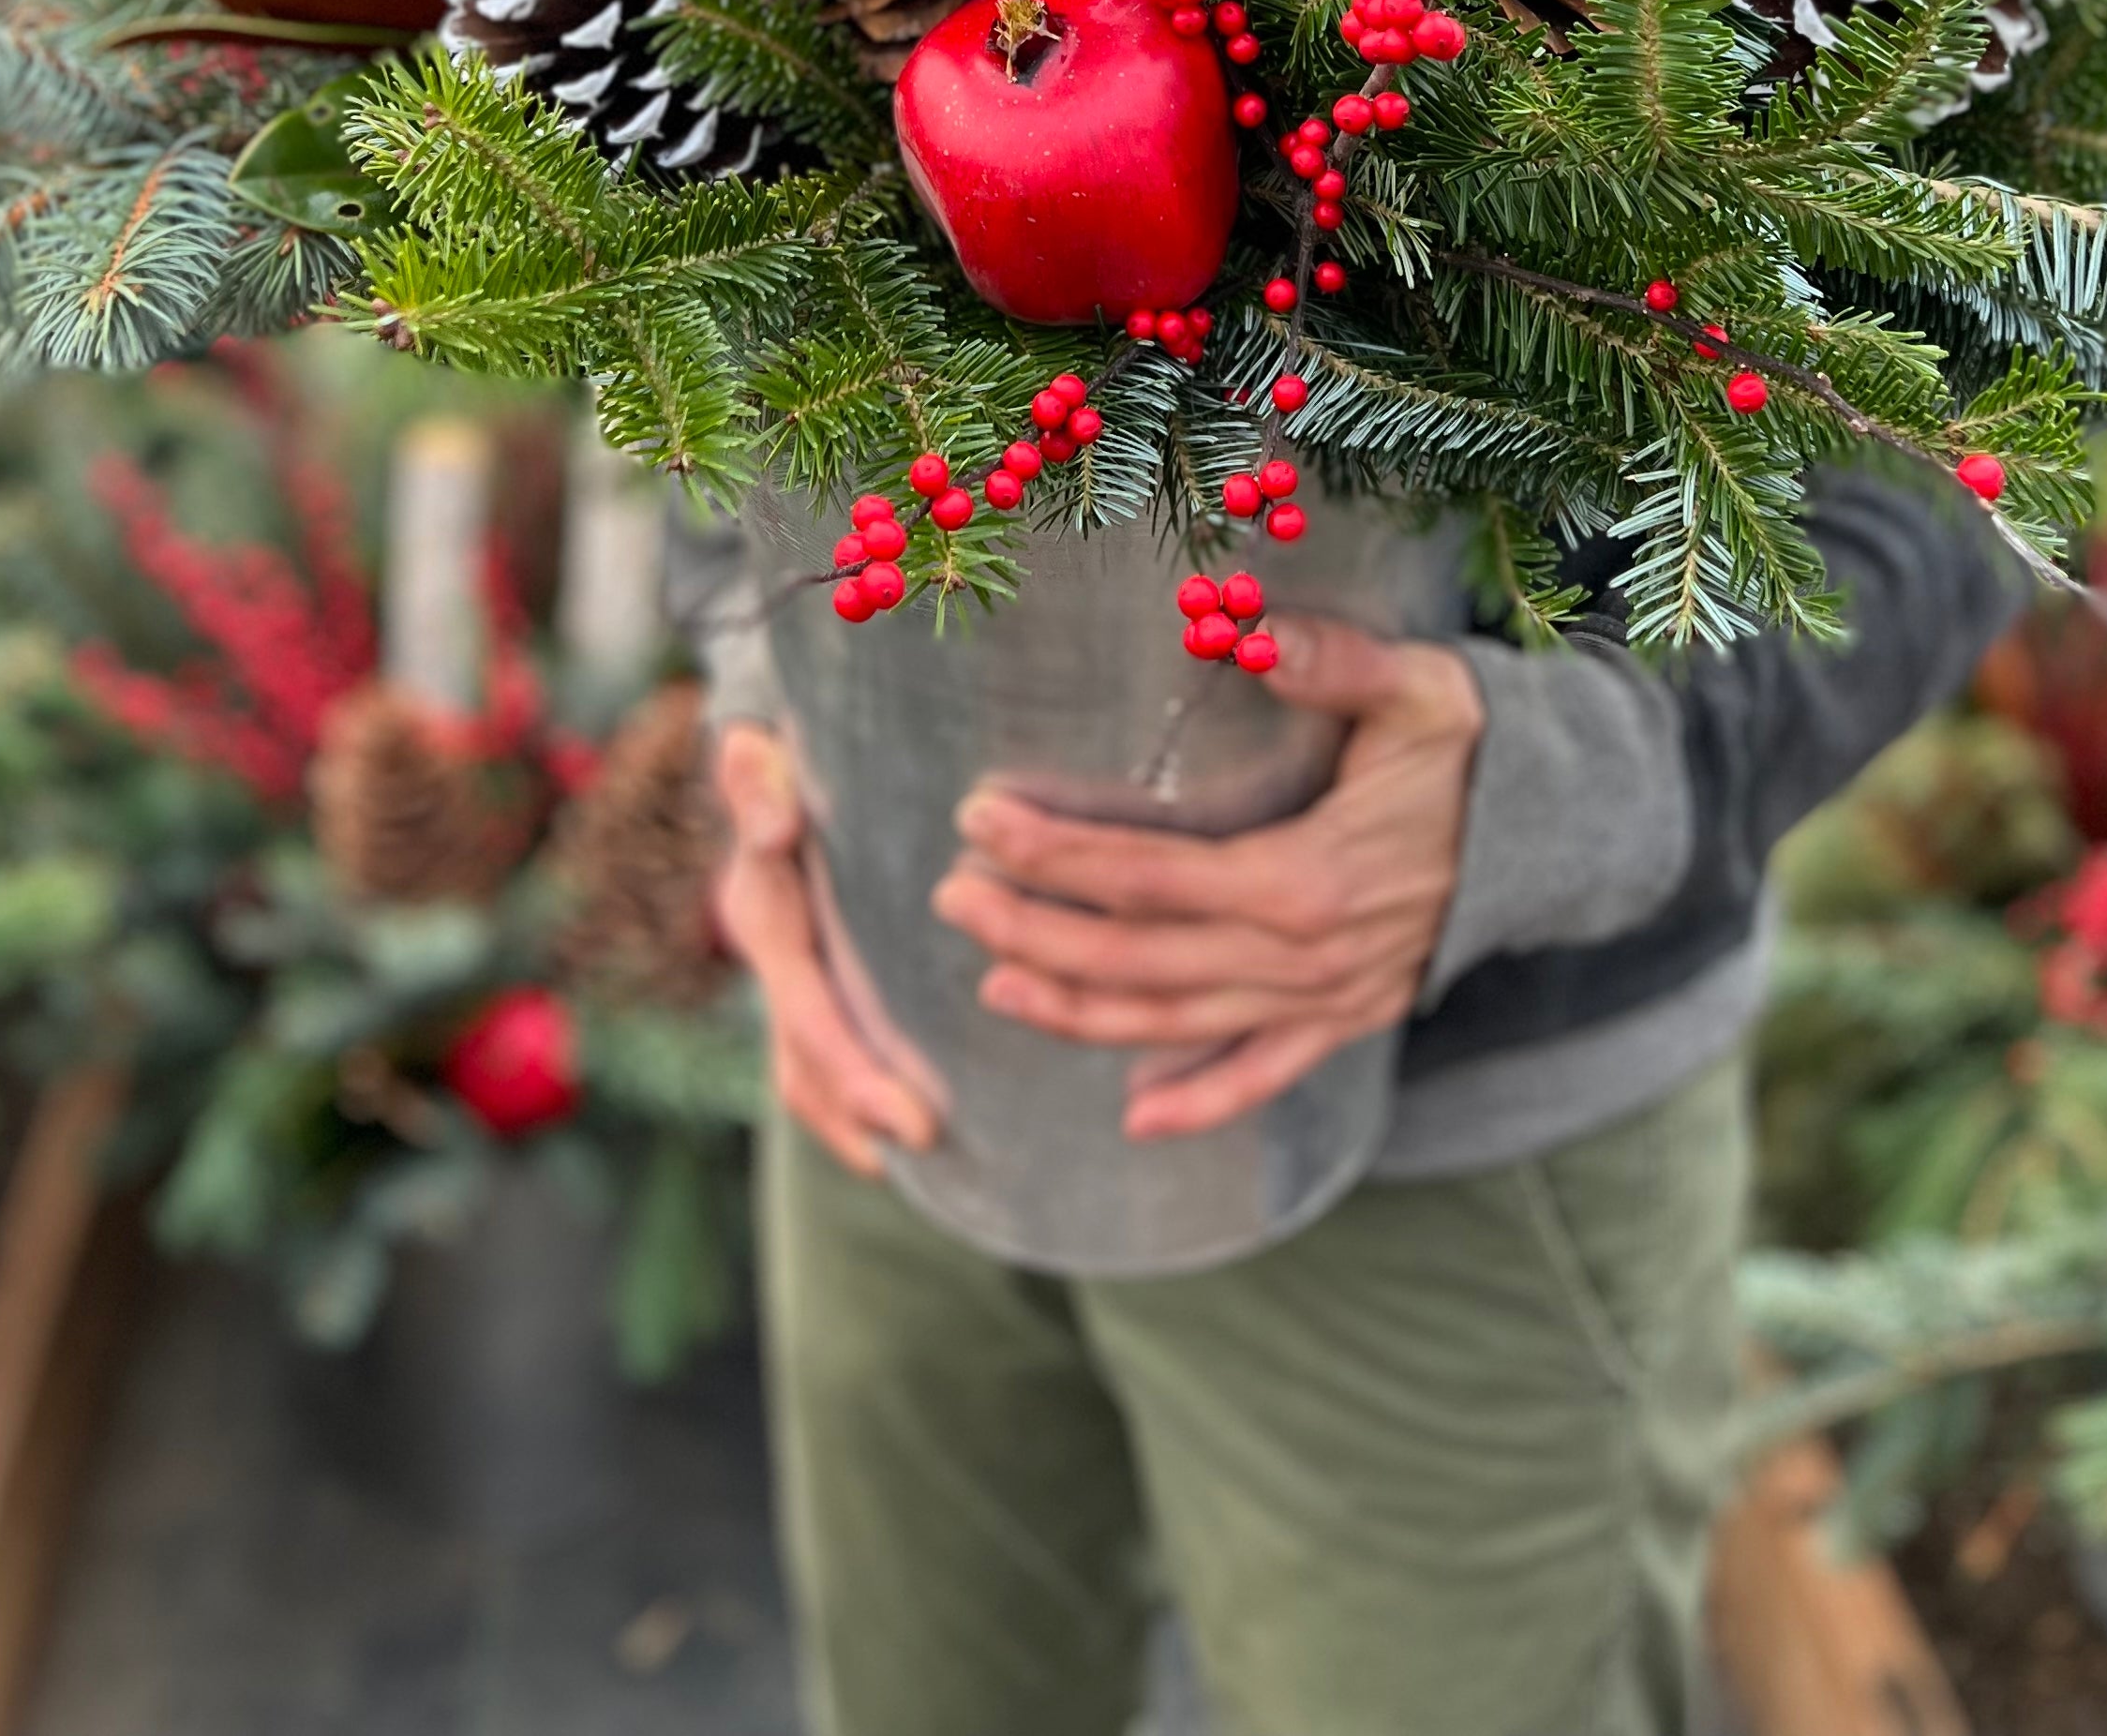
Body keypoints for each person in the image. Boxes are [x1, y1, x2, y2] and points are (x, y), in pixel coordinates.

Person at [683, 473, 2023, 1736]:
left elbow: (2026, 349)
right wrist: (764, 668)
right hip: (889, 1043)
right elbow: (633, 260)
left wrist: (1583, 771)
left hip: (1476, 1188)